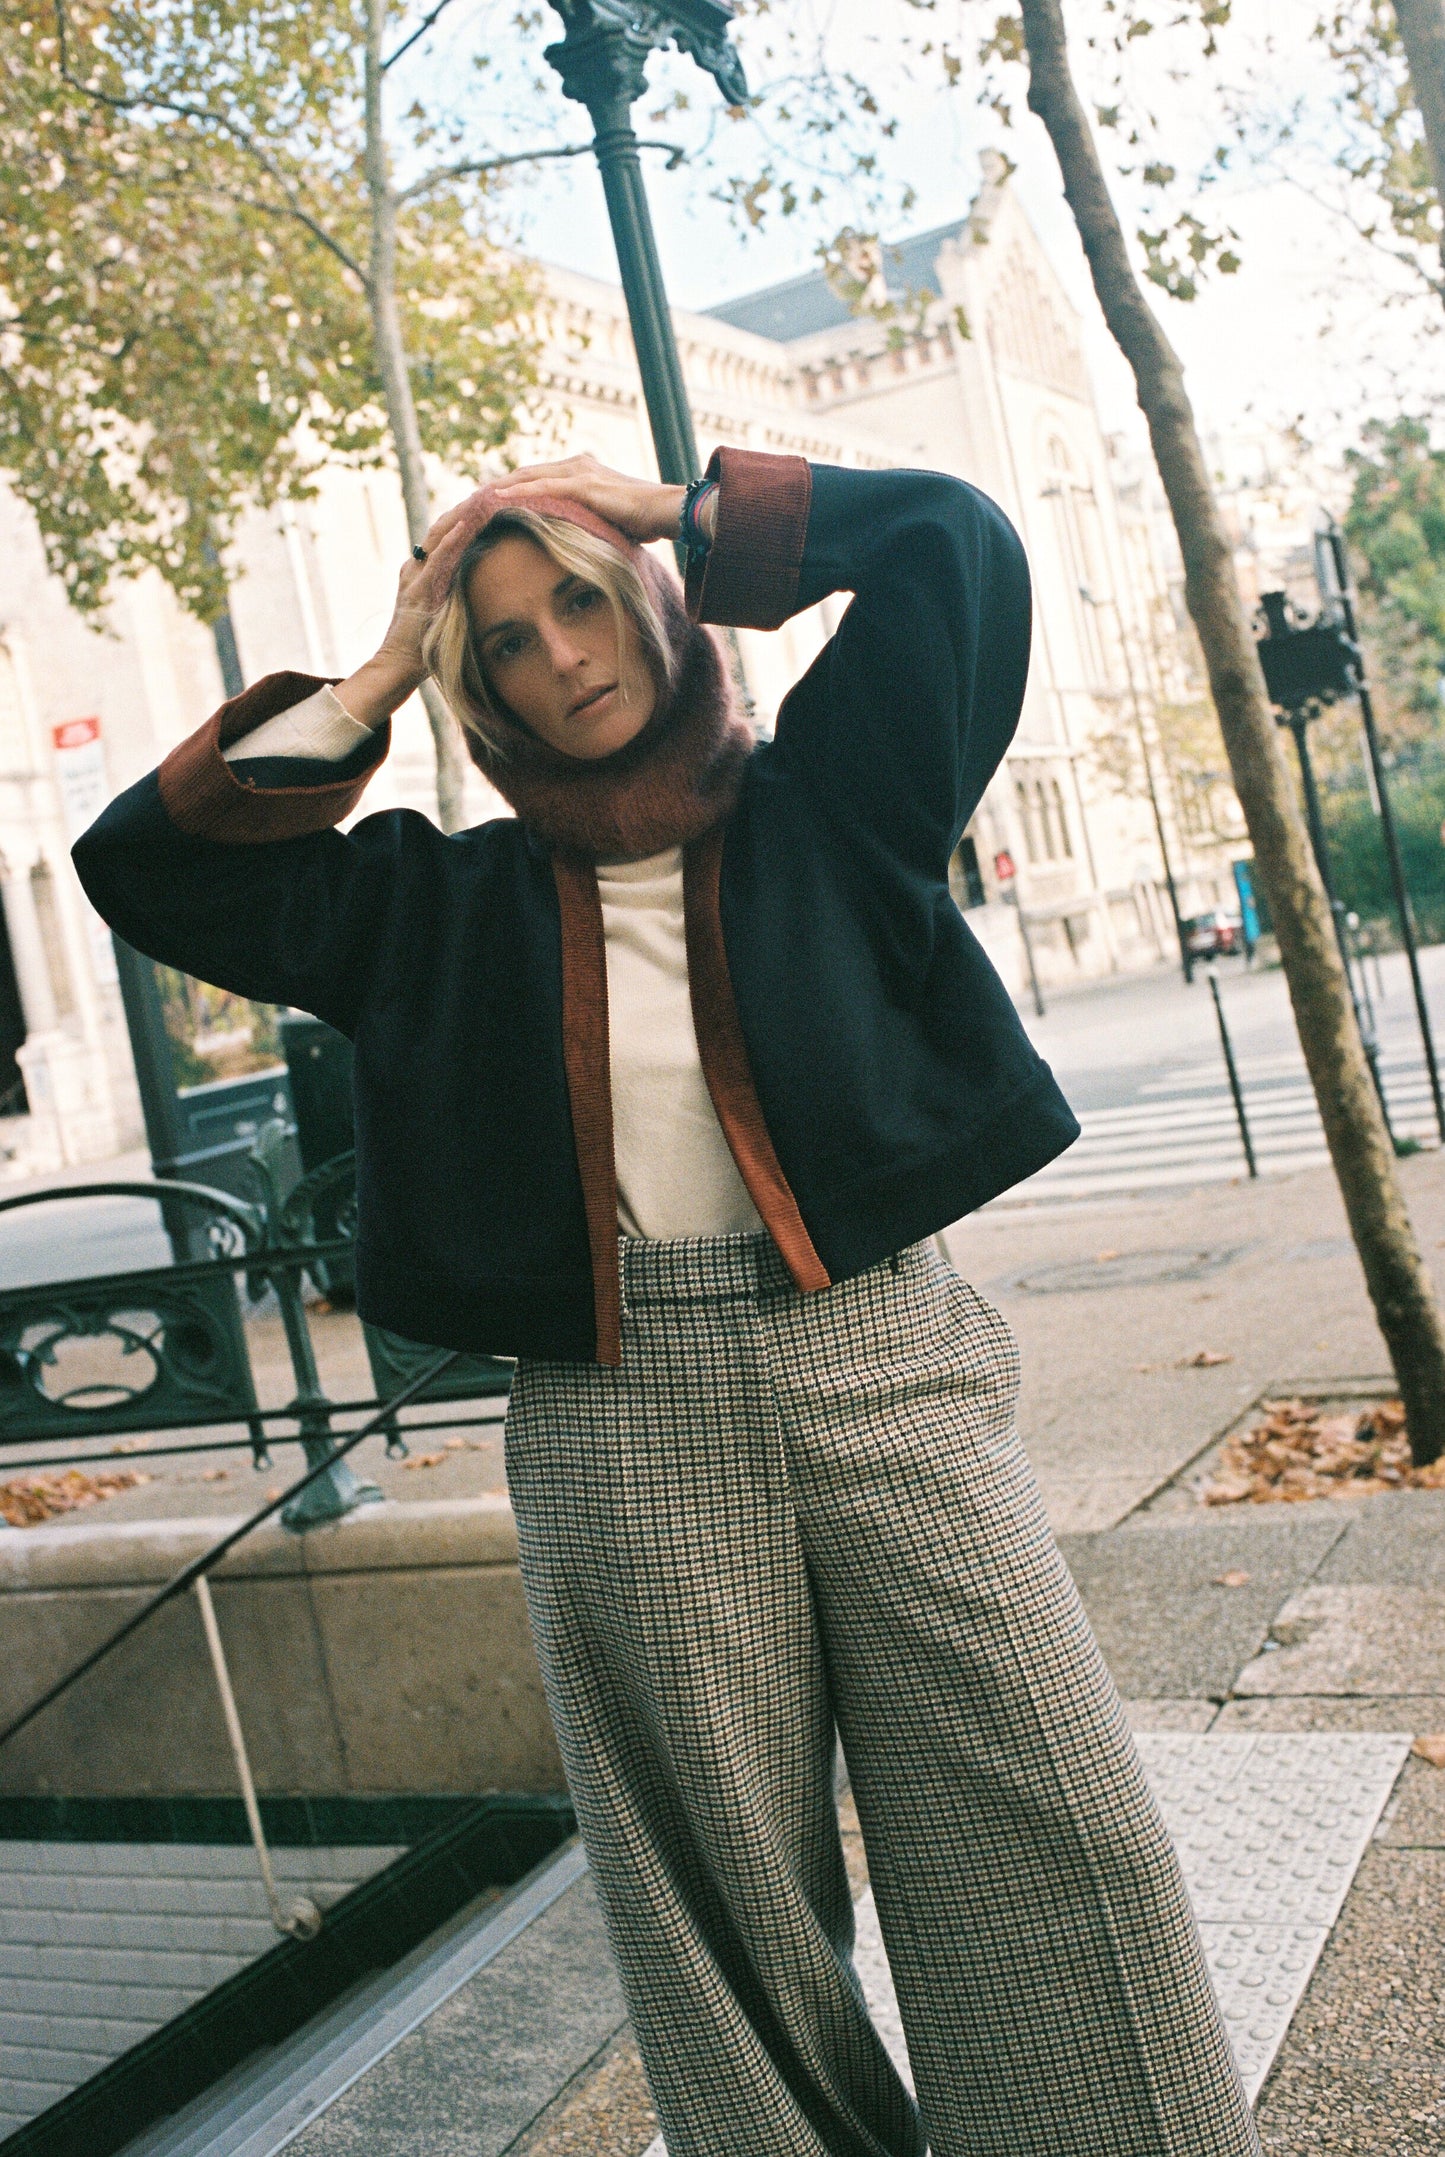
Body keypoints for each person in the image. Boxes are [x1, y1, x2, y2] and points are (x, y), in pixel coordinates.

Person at [74, 449, 1259, 2157]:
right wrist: (379, 672)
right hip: (618, 1413)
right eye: (503, 645)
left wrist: (681, 510)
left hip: (880, 1362)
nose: (558, 653)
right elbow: (154, 875)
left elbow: (955, 550)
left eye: (577, 597)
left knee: (1052, 1823)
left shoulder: (839, 791)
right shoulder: (432, 907)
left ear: (640, 594)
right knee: (724, 1916)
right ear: (475, 690)